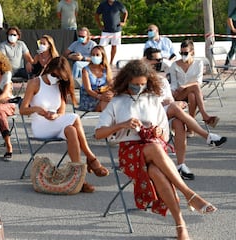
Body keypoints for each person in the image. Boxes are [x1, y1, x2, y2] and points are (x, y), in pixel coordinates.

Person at [94, 59, 217, 240]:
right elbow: (98, 133)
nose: (139, 87)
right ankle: (189, 194)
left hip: (154, 151)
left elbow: (164, 135)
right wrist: (122, 125)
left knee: (156, 170)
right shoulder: (117, 102)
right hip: (129, 153)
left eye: (143, 84)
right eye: (135, 85)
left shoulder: (152, 99)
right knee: (153, 148)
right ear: (127, 81)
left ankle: (180, 225)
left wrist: (159, 130)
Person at [19, 56, 109, 193]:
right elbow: (23, 110)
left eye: (60, 77)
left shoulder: (60, 85)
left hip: (55, 122)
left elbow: (61, 112)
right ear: (49, 69)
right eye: (54, 75)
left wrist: (54, 115)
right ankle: (91, 158)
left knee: (71, 130)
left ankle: (79, 178)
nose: (56, 78)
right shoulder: (35, 83)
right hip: (40, 126)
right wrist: (37, 109)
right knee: (74, 117)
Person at [144, 47, 227, 180]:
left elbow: (169, 100)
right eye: (155, 60)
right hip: (147, 117)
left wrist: (173, 103)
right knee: (176, 108)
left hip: (164, 115)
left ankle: (181, 165)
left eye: (160, 59)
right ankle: (207, 136)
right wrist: (166, 103)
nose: (158, 62)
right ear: (146, 60)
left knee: (179, 121)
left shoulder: (162, 80)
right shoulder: (139, 80)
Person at [169, 39, 219, 129]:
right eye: (181, 53)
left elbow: (199, 81)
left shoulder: (198, 63)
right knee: (194, 88)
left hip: (193, 93)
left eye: (185, 53)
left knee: (192, 95)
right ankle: (204, 116)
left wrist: (185, 86)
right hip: (179, 94)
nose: (183, 55)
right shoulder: (174, 65)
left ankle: (190, 127)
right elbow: (173, 83)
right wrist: (173, 91)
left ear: (192, 52)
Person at [79, 45, 113, 112]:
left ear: (102, 56)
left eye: (97, 55)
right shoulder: (85, 70)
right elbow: (88, 90)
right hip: (89, 98)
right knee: (105, 102)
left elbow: (111, 85)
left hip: (102, 95)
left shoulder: (106, 70)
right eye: (93, 55)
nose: (95, 57)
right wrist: (100, 96)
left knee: (112, 99)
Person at [95, 0, 128, 65]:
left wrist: (123, 21)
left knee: (114, 46)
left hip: (116, 30)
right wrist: (99, 25)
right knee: (101, 47)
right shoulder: (103, 4)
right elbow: (96, 15)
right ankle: (103, 61)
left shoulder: (118, 4)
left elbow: (125, 12)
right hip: (106, 30)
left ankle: (111, 62)